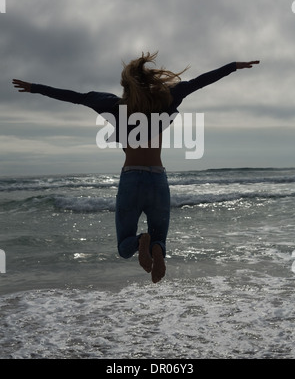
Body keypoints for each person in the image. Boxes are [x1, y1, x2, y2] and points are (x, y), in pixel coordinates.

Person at [13, 53, 259, 283]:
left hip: (131, 179)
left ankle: (141, 241)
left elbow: (74, 96)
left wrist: (35, 88)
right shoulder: (166, 98)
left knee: (123, 247)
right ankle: (154, 248)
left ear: (125, 84)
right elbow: (200, 81)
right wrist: (233, 67)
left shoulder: (111, 103)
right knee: (160, 240)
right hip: (158, 180)